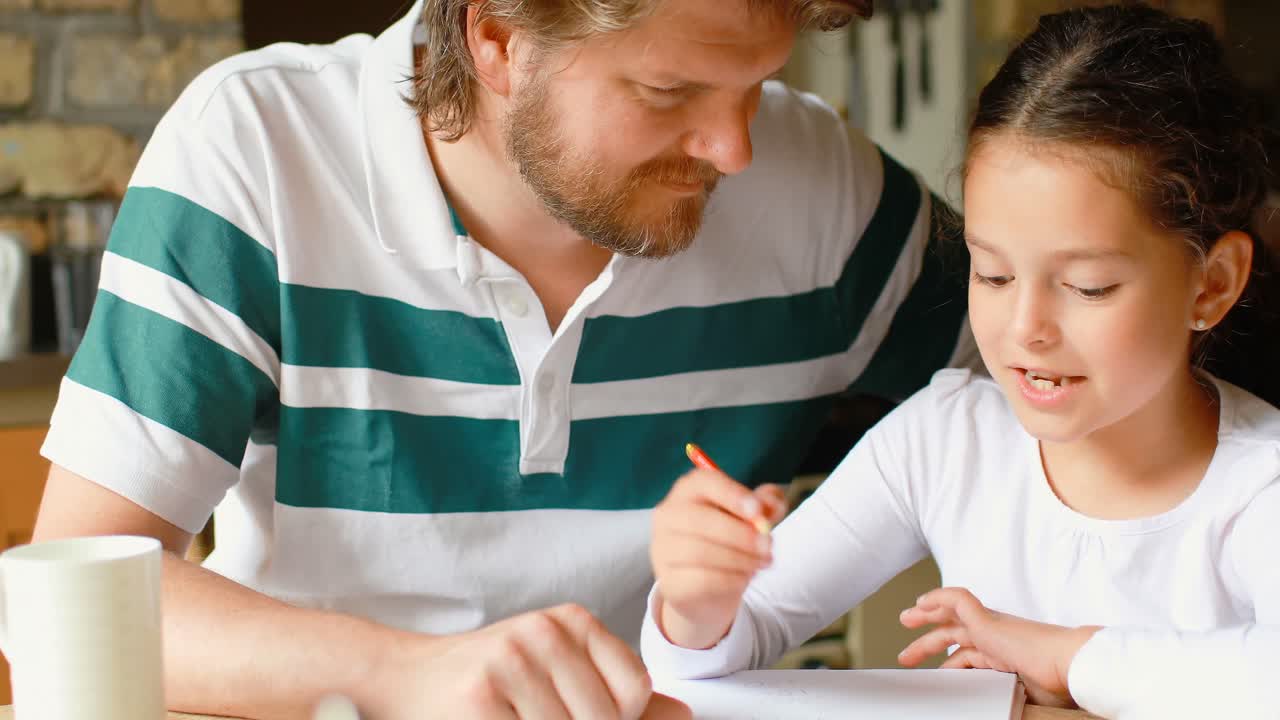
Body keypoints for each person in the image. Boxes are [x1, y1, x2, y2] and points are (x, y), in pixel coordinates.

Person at [29, 0, 979, 718]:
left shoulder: (824, 190)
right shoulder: (255, 148)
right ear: (496, 39)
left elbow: (1046, 396)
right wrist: (403, 676)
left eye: (756, 87)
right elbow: (59, 604)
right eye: (670, 93)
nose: (732, 151)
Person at [643, 5, 1280, 719]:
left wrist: (1062, 657)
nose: (1025, 328)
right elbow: (703, 666)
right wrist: (698, 605)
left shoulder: (1261, 486)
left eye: (1087, 287)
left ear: (1212, 284)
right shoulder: (946, 441)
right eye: (993, 274)